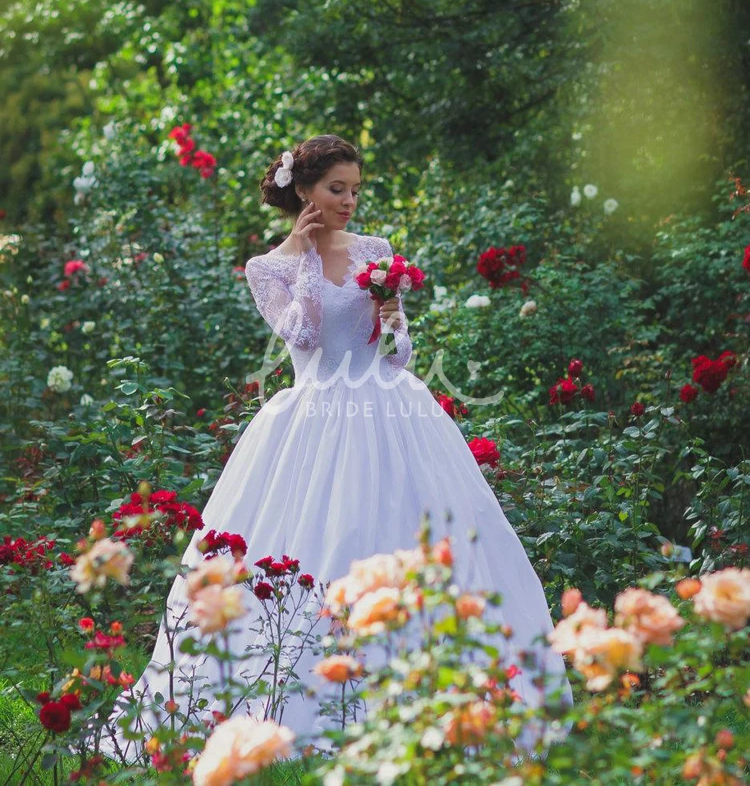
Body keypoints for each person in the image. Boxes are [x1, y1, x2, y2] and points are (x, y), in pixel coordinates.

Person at [96, 134, 573, 764]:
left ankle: (445, 702)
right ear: (303, 191)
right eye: (335, 189)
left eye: (354, 190)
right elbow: (303, 332)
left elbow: (399, 352)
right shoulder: (269, 267)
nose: (348, 202)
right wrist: (302, 256)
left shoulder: (376, 252)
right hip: (315, 414)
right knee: (313, 542)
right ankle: (300, 713)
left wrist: (391, 307)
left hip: (395, 409)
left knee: (424, 538)